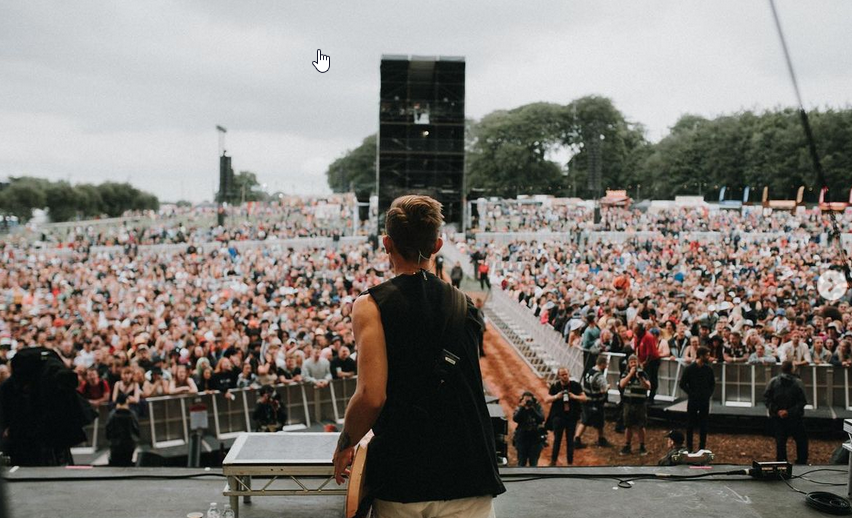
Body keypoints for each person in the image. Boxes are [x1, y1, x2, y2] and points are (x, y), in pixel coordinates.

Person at [332, 195, 505, 517]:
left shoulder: (370, 306)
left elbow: (371, 396)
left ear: (386, 243)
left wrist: (345, 444)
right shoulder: (464, 304)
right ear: (437, 244)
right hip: (469, 465)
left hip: (405, 468)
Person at [764, 360, 808, 464]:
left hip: (778, 417)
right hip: (795, 417)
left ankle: (781, 463)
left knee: (780, 441)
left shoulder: (773, 382)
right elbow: (802, 401)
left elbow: (767, 398)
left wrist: (777, 410)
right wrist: (789, 412)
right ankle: (802, 461)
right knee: (801, 440)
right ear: (792, 369)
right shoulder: (798, 383)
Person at [546, 367, 586, 465]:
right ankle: (553, 461)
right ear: (559, 376)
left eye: (566, 374)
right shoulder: (555, 386)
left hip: (571, 416)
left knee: (570, 440)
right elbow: (547, 399)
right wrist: (556, 397)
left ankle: (570, 462)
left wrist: (574, 396)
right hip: (558, 416)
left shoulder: (575, 385)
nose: (565, 376)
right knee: (557, 440)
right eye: (562, 375)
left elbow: (584, 398)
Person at [678, 346, 715, 452]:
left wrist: (708, 394)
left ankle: (702, 447)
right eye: (707, 355)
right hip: (693, 400)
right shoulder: (690, 369)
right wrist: (691, 394)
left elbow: (712, 384)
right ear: (701, 355)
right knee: (690, 424)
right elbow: (682, 384)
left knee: (704, 424)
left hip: (704, 400)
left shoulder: (708, 369)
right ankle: (689, 446)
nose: (708, 357)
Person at [575, 355, 610, 449]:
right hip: (596, 402)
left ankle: (578, 439)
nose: (606, 366)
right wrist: (607, 387)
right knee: (598, 421)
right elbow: (604, 388)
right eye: (605, 364)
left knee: (585, 420)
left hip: (587, 399)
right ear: (602, 364)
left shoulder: (589, 372)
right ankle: (599, 439)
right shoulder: (599, 376)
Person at [619, 354, 650, 456]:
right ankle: (627, 445)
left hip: (640, 403)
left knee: (641, 425)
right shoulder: (625, 373)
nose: (633, 364)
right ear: (628, 364)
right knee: (628, 425)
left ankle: (642, 446)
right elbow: (621, 384)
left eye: (634, 362)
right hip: (629, 403)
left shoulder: (643, 373)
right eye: (631, 362)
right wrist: (630, 375)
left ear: (638, 362)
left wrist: (640, 378)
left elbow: (648, 387)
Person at [105, 392, 140, 467]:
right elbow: (136, 428)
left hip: (115, 445)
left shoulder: (112, 414)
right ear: (127, 401)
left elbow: (108, 429)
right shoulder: (132, 414)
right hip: (129, 444)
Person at [513, 391, 545, 467]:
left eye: (529, 400)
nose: (528, 402)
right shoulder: (520, 407)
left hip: (535, 439)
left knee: (533, 463)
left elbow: (541, 419)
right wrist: (522, 408)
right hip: (522, 438)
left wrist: (532, 409)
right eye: (526, 400)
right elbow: (515, 419)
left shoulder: (537, 407)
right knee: (521, 463)